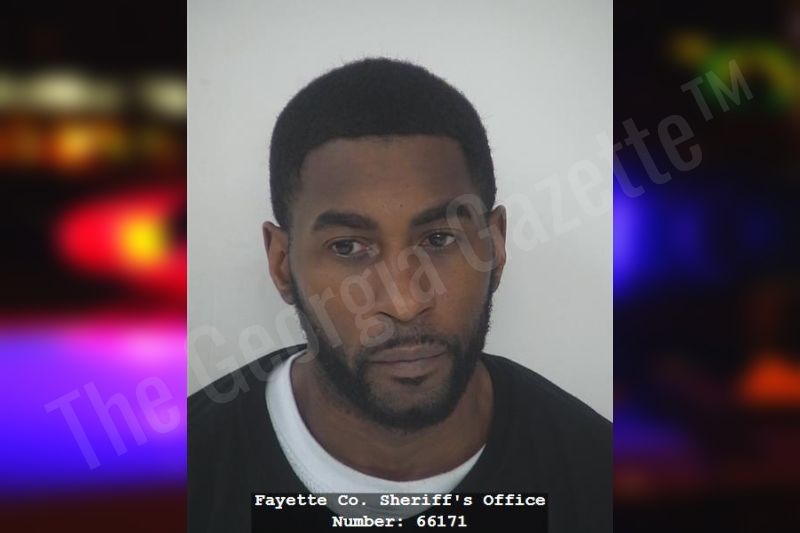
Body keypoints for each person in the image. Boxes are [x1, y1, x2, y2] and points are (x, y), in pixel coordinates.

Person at [188, 58, 611, 532]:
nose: (405, 303)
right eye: (348, 247)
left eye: (439, 240)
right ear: (281, 263)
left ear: (495, 245)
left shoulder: (600, 477)